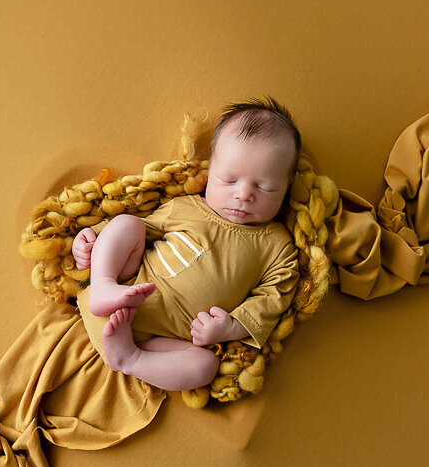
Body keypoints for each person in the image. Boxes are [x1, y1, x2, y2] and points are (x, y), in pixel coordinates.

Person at [70, 98, 302, 392]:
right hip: (126, 284)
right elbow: (144, 230)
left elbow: (274, 297)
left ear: (287, 185)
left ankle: (130, 359)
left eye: (265, 187)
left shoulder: (277, 246)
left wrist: (231, 327)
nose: (244, 195)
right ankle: (102, 284)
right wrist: (91, 240)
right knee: (129, 224)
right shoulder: (187, 207)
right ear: (210, 169)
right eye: (229, 180)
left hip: (158, 341)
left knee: (204, 367)